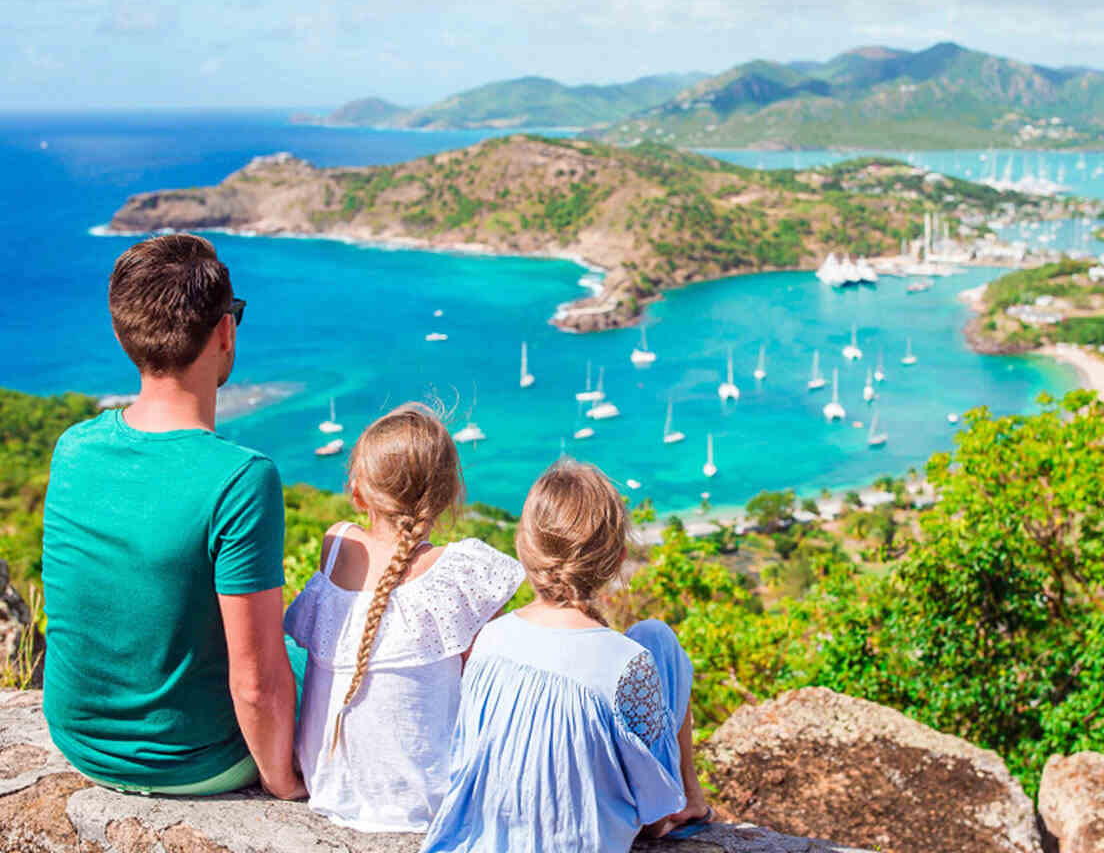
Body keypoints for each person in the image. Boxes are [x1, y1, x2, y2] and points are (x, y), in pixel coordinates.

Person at [41, 234, 303, 798]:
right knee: (311, 654)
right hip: (193, 761)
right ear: (225, 332)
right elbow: (256, 684)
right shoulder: (241, 479)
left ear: (122, 335)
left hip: (79, 742)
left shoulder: (73, 447)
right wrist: (283, 783)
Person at [421, 459, 710, 853]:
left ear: (524, 548)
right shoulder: (627, 663)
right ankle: (692, 800)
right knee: (656, 637)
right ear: (618, 557)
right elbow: (654, 816)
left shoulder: (490, 640)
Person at [283, 404, 523, 832]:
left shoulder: (336, 544)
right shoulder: (462, 572)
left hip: (329, 788)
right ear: (449, 494)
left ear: (358, 495)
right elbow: (491, 689)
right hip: (425, 801)